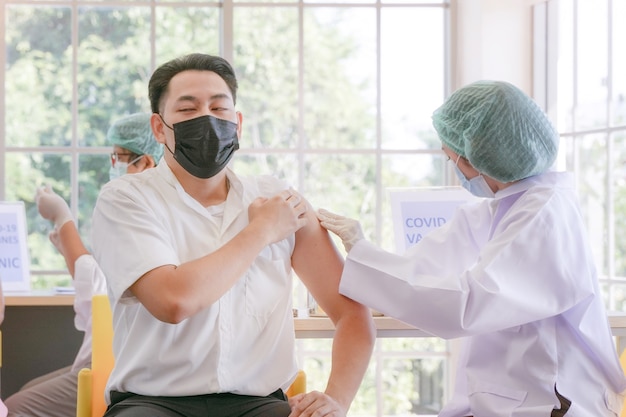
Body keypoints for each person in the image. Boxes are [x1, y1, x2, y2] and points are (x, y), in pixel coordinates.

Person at [317, 80, 626, 417]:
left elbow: (466, 304)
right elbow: (429, 262)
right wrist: (366, 262)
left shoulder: (546, 213)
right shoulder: (505, 206)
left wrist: (364, 259)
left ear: (482, 156)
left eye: (455, 161)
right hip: (511, 399)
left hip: (550, 402)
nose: (457, 172)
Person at [90, 53, 375, 417]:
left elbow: (351, 314)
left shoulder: (280, 200)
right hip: (152, 403)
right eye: (188, 110)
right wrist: (261, 231)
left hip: (257, 404)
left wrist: (336, 400)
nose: (207, 119)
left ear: (237, 124)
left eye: (219, 108)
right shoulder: (126, 198)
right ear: (159, 128)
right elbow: (173, 301)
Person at [5, 113, 163, 417]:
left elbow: (99, 282)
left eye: (119, 156)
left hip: (127, 361)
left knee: (14, 408)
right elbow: (98, 282)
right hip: (116, 353)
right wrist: (65, 241)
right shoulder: (129, 204)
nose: (113, 164)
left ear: (146, 162)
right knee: (28, 391)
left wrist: (63, 219)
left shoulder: (144, 212)